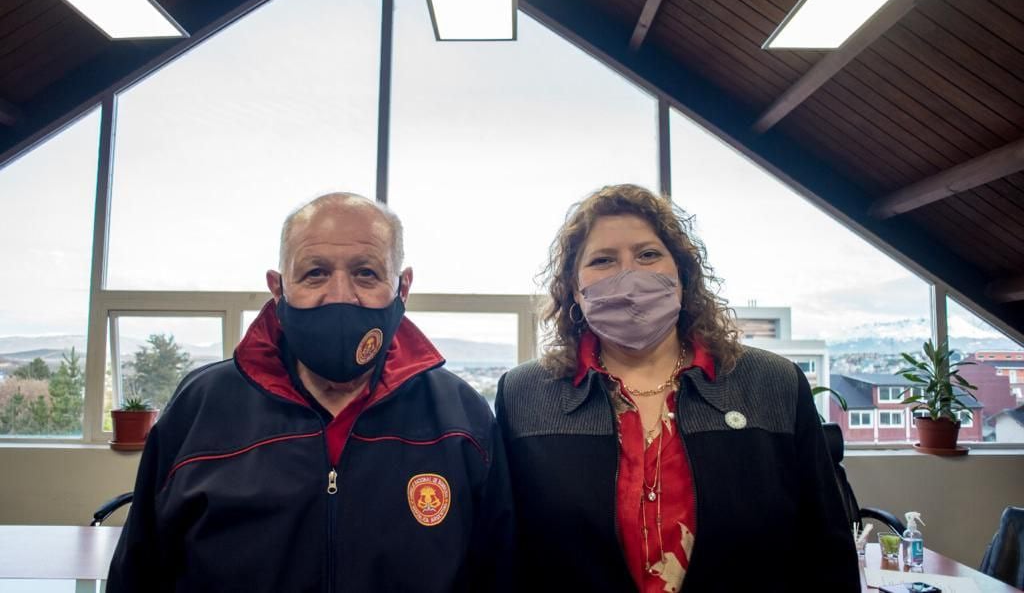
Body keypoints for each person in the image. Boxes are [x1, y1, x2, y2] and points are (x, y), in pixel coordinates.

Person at [108, 192, 513, 592]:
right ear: (279, 287)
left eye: (366, 273)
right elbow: (140, 575)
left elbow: (497, 576)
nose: (339, 295)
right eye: (315, 272)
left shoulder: (462, 421)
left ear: (402, 288)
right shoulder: (199, 410)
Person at [495, 184, 858, 592]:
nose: (628, 276)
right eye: (602, 260)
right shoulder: (523, 395)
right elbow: (508, 557)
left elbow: (827, 553)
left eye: (648, 254)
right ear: (574, 291)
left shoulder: (774, 384)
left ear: (683, 277)